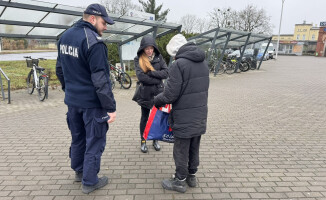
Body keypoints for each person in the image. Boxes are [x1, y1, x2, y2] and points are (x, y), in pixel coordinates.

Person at [55, 3, 116, 194]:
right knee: (94, 140)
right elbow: (101, 80)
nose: (106, 27)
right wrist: (110, 107)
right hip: (92, 105)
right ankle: (90, 182)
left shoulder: (64, 37)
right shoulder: (94, 42)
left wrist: (69, 90)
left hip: (73, 103)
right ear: (92, 19)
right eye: (104, 22)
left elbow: (60, 69)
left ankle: (79, 171)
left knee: (78, 137)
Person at [154, 34, 209, 193]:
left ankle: (179, 181)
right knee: (194, 146)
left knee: (181, 149)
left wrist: (157, 100)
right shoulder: (203, 63)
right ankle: (192, 176)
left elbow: (170, 95)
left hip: (183, 117)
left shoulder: (178, 65)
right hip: (200, 114)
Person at [134, 35, 168, 153]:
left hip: (159, 93)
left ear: (154, 48)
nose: (149, 51)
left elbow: (166, 73)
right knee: (144, 118)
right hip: (145, 94)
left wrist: (151, 73)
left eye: (151, 48)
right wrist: (157, 78)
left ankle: (155, 139)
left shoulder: (159, 58)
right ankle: (143, 141)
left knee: (157, 118)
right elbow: (141, 77)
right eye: (147, 48)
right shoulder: (138, 59)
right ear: (143, 48)